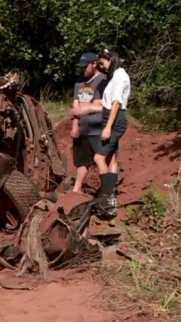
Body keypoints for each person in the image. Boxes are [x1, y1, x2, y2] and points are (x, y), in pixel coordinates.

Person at [72, 48, 130, 217]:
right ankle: (109, 195)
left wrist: (107, 126)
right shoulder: (114, 76)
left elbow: (116, 103)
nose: (102, 64)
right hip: (107, 120)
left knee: (100, 157)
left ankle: (108, 195)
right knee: (103, 156)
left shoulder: (117, 77)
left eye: (103, 61)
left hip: (111, 120)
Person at [69, 52, 107, 193]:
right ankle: (76, 189)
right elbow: (76, 105)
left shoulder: (103, 81)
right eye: (81, 67)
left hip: (98, 129)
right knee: (81, 161)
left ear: (94, 64)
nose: (83, 70)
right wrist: (75, 125)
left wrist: (90, 108)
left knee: (101, 160)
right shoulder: (79, 83)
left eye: (85, 67)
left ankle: (107, 190)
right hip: (83, 128)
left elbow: (107, 105)